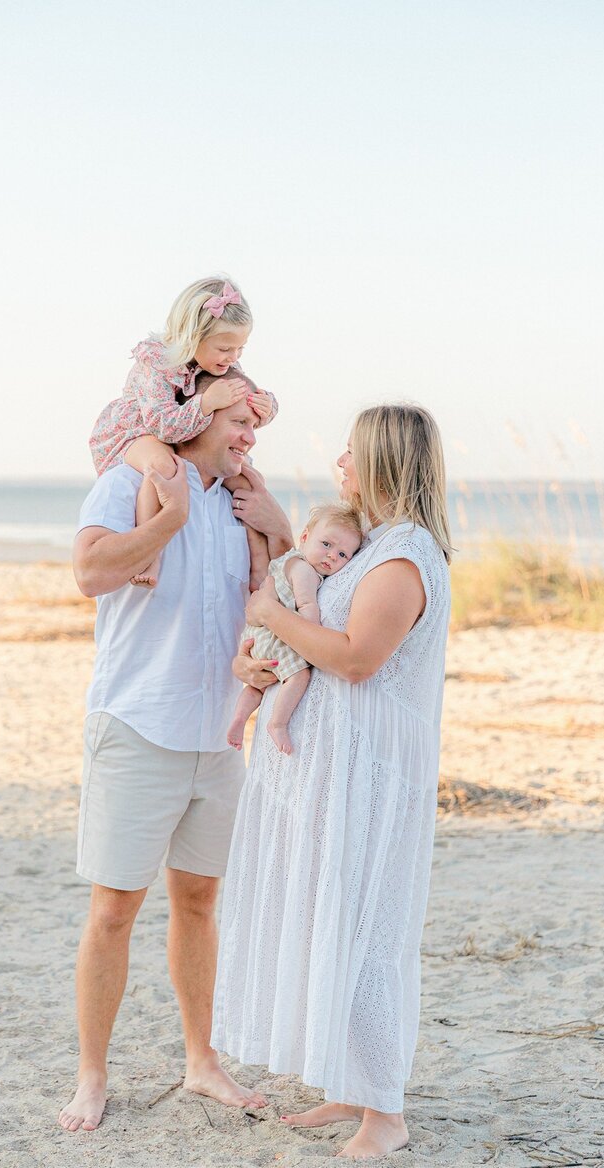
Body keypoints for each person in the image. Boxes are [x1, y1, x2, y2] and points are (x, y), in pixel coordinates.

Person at [212, 403, 453, 1161]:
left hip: (370, 776)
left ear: (383, 461)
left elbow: (354, 659)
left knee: (369, 932)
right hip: (328, 768)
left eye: (351, 454)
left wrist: (266, 617)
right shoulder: (373, 544)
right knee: (331, 919)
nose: (340, 464)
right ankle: (351, 1088)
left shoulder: (404, 557)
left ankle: (385, 1114)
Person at [58, 370, 293, 1134]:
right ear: (196, 419)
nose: (251, 438)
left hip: (218, 736)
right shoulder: (134, 479)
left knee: (198, 902)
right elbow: (91, 572)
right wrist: (169, 522)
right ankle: (93, 1073)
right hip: (137, 726)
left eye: (258, 425)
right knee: (114, 910)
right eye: (239, 422)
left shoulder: (243, 505)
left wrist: (280, 526)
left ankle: (201, 1061)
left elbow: (282, 599)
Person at [89, 275, 277, 587]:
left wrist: (266, 407)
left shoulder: (221, 364)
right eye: (225, 348)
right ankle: (150, 553)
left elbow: (243, 403)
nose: (233, 358)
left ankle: (259, 567)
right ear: (193, 338)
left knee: (249, 481)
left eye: (240, 349)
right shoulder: (158, 363)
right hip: (139, 430)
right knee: (163, 467)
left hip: (181, 430)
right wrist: (205, 404)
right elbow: (164, 424)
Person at [226, 502, 365, 756]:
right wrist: (314, 638)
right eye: (326, 544)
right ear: (304, 538)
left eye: (343, 554)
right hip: (276, 637)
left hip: (258, 637)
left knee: (257, 687)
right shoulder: (305, 571)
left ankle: (239, 717)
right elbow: (306, 605)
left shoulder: (287, 561)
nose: (333, 555)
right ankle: (277, 723)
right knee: (298, 676)